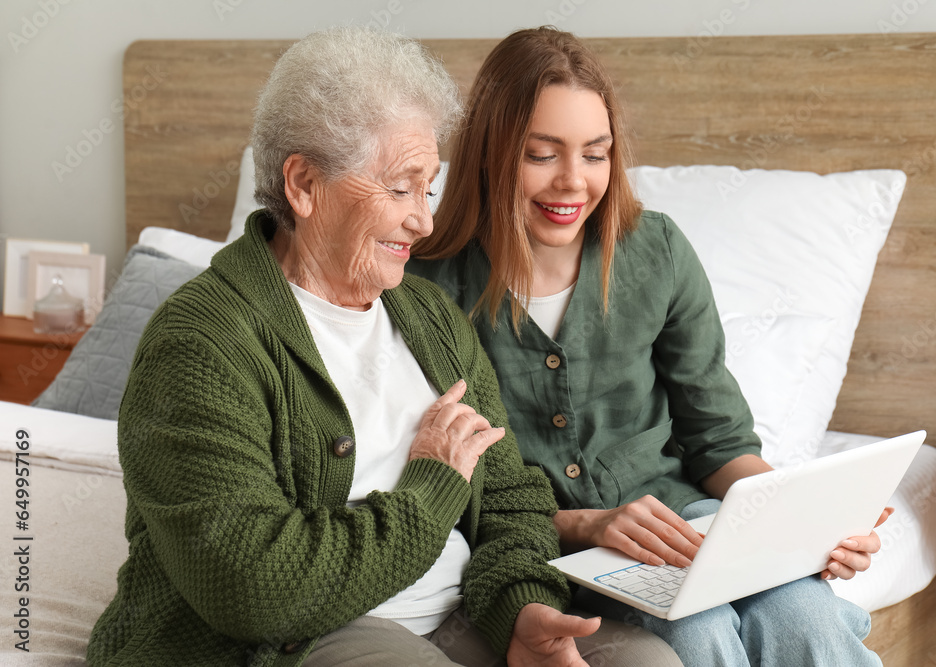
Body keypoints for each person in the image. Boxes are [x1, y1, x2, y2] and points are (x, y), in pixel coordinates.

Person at [86, 27, 681, 667]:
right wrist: (432, 484)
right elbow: (253, 585)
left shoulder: (427, 316)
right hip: (302, 633)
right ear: (304, 185)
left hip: (456, 611)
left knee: (650, 662)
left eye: (427, 189)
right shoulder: (202, 342)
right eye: (400, 188)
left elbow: (511, 499)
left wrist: (521, 608)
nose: (423, 221)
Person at [409, 26, 889, 666]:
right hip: (549, 548)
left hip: (689, 521)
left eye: (595, 153)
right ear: (492, 154)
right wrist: (587, 523)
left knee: (805, 616)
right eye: (542, 154)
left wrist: (805, 527)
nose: (573, 183)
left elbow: (717, 440)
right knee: (700, 632)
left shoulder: (656, 250)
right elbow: (449, 488)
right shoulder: (427, 287)